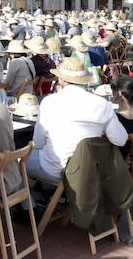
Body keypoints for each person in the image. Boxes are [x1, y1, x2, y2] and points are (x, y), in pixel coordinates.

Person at [26, 58, 126, 186]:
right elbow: (120, 139)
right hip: (89, 170)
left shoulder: (50, 102)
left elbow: (38, 142)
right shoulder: (102, 104)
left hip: (55, 171)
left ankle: (27, 202)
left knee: (24, 157)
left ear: (61, 79)